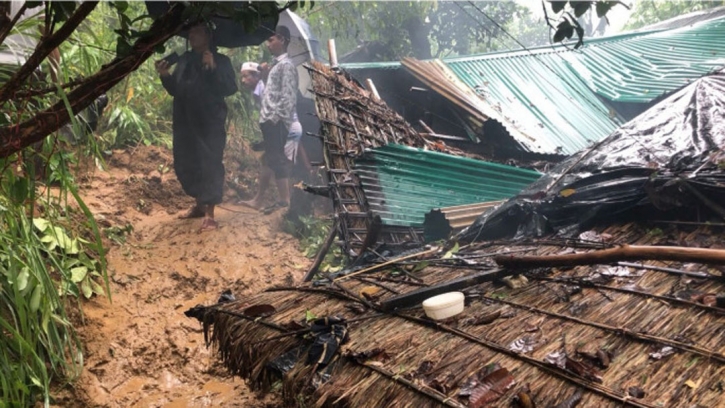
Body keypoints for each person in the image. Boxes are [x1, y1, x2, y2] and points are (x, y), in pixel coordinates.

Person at [155, 23, 237, 231]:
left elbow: (229, 88)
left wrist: (213, 68)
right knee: (186, 161)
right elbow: (176, 89)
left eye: (197, 31)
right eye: (190, 32)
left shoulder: (222, 60)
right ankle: (199, 205)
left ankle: (209, 213)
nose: (192, 35)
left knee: (210, 162)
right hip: (184, 120)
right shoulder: (184, 60)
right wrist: (165, 75)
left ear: (208, 36)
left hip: (210, 121)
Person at [239, 26, 300, 213]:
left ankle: (285, 201)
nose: (268, 44)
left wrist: (276, 119)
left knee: (277, 159)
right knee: (271, 159)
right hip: (270, 120)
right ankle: (274, 200)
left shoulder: (287, 66)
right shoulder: (276, 66)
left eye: (271, 40)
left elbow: (288, 97)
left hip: (277, 121)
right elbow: (270, 94)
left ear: (282, 40)